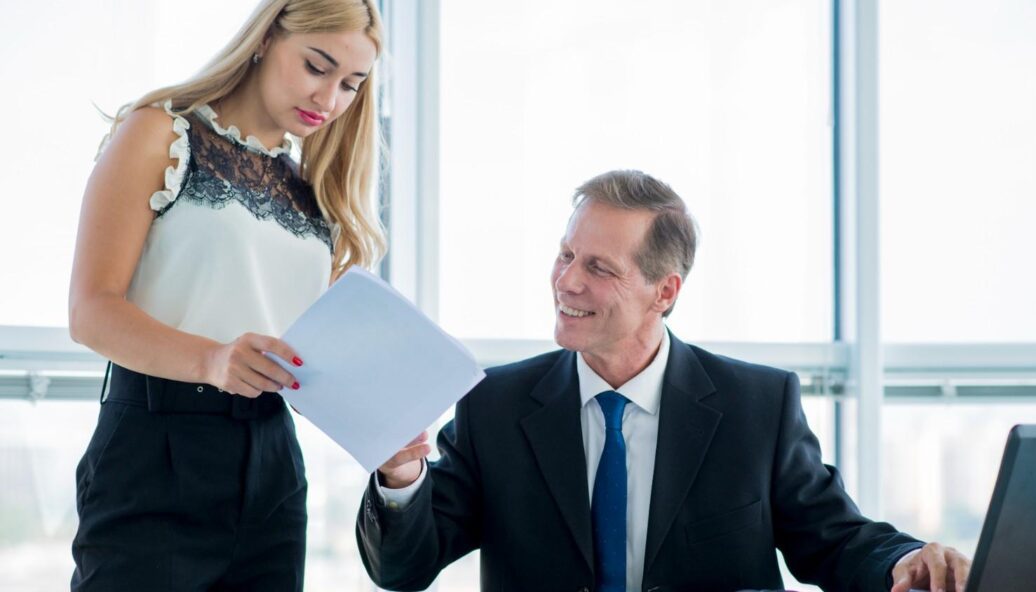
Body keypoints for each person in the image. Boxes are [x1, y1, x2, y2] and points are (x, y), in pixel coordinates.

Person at [357, 170, 972, 592]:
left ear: (665, 290)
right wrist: (401, 474)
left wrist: (908, 561)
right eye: (566, 254)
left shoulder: (756, 405)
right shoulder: (495, 402)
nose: (567, 281)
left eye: (598, 267)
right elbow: (404, 569)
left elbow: (834, 540)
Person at [67, 1, 384, 589]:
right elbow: (91, 312)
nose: (329, 99)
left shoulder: (315, 193)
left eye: (351, 84)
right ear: (266, 38)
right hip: (154, 446)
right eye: (317, 66)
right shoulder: (160, 132)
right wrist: (212, 359)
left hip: (273, 459)